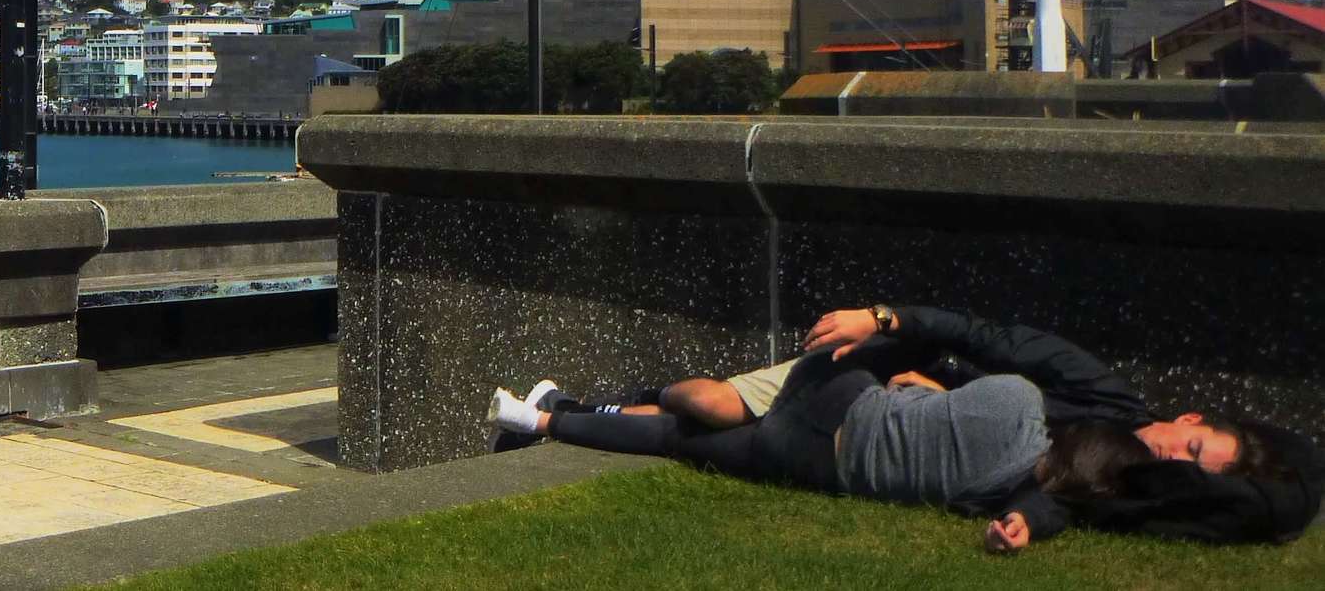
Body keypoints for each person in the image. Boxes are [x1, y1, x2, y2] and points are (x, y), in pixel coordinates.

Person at [490, 304, 1321, 552]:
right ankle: (595, 401)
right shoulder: (1103, 398)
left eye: (1190, 469)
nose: (1176, 454)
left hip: (845, 440)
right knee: (696, 405)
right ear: (1193, 417)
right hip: (864, 375)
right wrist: (886, 324)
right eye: (1195, 444)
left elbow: (1062, 496)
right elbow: (990, 338)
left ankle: (548, 415)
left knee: (692, 428)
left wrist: (1027, 522)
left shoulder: (1107, 480)